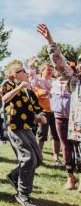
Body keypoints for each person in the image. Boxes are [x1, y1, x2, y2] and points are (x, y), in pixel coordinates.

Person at [37, 24, 80, 191]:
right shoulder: (72, 77)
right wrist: (49, 40)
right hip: (62, 116)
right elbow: (59, 61)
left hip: (78, 119)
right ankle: (71, 177)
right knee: (65, 146)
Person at [3, 63, 46, 206]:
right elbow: (5, 99)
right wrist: (19, 87)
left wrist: (40, 116)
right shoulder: (9, 85)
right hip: (14, 127)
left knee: (38, 159)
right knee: (28, 158)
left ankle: (14, 175)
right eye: (24, 71)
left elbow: (38, 109)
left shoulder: (29, 91)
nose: (27, 73)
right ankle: (22, 194)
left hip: (27, 128)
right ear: (15, 75)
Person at [27, 57, 61, 166]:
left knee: (56, 135)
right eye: (47, 69)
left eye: (51, 69)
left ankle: (56, 158)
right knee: (42, 135)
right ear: (42, 71)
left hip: (56, 111)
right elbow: (32, 78)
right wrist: (31, 66)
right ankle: (38, 157)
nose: (50, 71)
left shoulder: (55, 81)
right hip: (43, 111)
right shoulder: (38, 80)